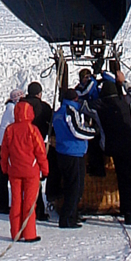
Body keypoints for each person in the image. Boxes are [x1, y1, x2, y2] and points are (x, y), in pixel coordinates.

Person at [0, 96, 49, 241]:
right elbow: (40, 152)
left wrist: (5, 169)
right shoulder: (33, 130)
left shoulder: (10, 130)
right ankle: (29, 234)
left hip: (14, 171)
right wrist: (45, 170)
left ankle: (16, 233)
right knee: (29, 203)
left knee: (15, 202)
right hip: (31, 172)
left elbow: (4, 152)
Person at [95, 72, 131, 223]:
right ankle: (128, 211)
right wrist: (124, 82)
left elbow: (84, 107)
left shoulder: (99, 107)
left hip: (109, 147)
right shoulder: (127, 103)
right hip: (128, 147)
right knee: (125, 178)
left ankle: (97, 170)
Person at [50, 86, 93, 227]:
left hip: (64, 151)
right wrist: (93, 132)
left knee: (71, 185)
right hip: (73, 152)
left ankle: (72, 215)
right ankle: (67, 218)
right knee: (75, 187)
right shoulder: (70, 111)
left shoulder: (58, 112)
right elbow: (77, 130)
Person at [25, 80, 55, 221]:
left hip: (22, 145)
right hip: (38, 144)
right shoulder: (44, 107)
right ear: (39, 94)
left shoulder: (21, 105)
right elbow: (51, 123)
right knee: (36, 177)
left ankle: (27, 207)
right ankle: (39, 209)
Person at [0, 86, 24, 214]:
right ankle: (1, 205)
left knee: (2, 174)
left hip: (1, 143)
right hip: (3, 144)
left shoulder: (10, 108)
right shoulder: (12, 109)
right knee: (3, 174)